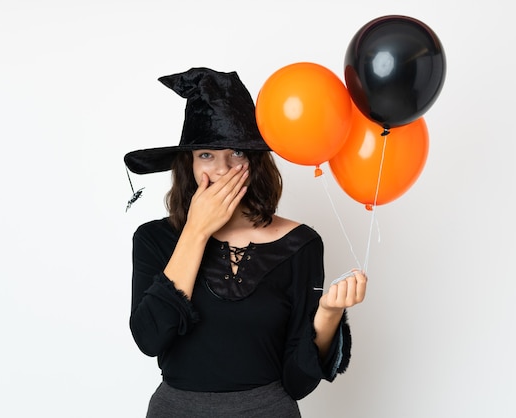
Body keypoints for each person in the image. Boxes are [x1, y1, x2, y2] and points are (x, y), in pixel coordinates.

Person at [125, 67, 367, 418]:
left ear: (255, 162)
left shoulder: (301, 244)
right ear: (189, 165)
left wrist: (328, 315)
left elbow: (297, 382)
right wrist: (195, 231)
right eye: (206, 155)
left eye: (236, 153)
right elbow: (149, 339)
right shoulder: (153, 239)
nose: (223, 169)